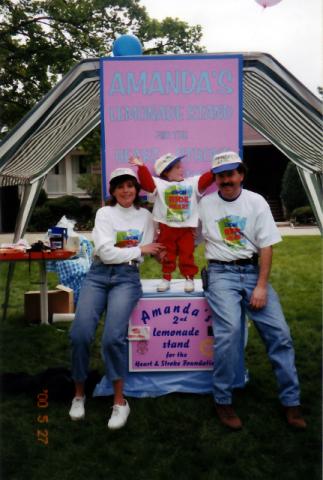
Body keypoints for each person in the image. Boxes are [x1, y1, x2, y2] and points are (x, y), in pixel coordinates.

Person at [198, 151, 306, 431]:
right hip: (220, 273)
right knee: (230, 332)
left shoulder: (256, 202)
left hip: (252, 272)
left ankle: (291, 402)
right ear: (215, 179)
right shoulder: (205, 204)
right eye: (220, 176)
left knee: (280, 334)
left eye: (231, 174)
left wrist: (260, 286)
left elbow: (266, 246)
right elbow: (186, 233)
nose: (226, 180)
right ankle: (222, 399)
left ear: (241, 175)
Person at [68, 168, 163, 429]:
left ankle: (120, 402)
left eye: (130, 186)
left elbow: (146, 251)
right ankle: (78, 394)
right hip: (98, 276)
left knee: (112, 338)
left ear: (136, 189)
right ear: (112, 191)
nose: (126, 191)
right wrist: (138, 249)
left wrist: (148, 251)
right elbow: (105, 253)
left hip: (127, 278)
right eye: (120, 187)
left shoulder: (145, 216)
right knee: (80, 334)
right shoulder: (104, 213)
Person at [129, 153, 213, 293]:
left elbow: (205, 180)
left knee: (187, 254)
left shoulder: (191, 182)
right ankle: (166, 278)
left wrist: (215, 170)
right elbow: (148, 184)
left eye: (181, 167)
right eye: (177, 167)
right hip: (166, 227)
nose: (182, 170)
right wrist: (142, 167)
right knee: (168, 255)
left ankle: (189, 278)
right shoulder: (160, 184)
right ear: (166, 172)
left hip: (186, 228)